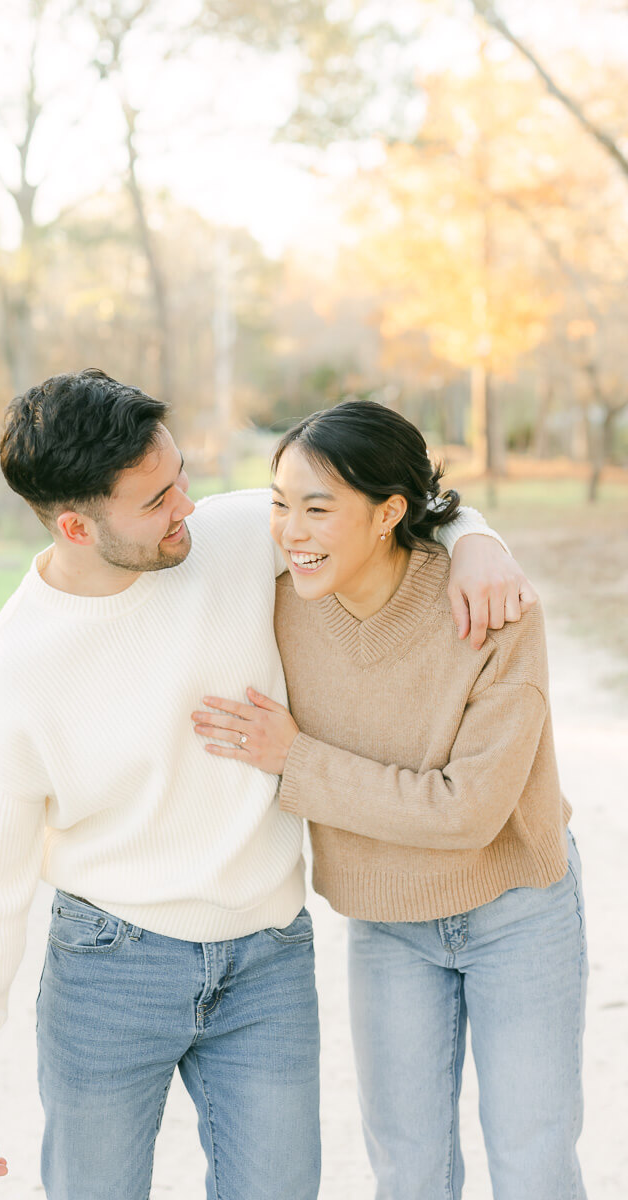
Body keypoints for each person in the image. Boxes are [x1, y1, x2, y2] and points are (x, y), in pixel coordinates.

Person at [0, 369, 530, 1198]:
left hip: (267, 960)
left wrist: (478, 539)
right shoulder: (7, 685)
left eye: (181, 478)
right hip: (112, 969)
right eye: (156, 501)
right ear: (75, 524)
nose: (187, 508)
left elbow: (383, 500)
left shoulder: (233, 533)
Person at [193, 398, 586, 1200]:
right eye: (279, 505)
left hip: (518, 908)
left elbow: (467, 811)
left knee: (533, 1167)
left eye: (316, 509)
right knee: (408, 1171)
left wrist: (295, 760)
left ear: (389, 514)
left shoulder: (491, 607)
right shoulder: (273, 610)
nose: (291, 531)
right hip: (387, 924)